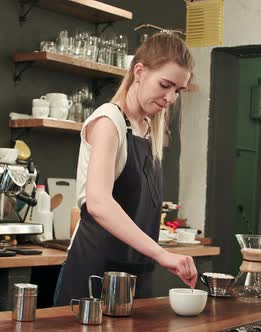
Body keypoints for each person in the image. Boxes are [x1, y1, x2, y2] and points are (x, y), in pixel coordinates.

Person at [54, 32, 197, 305]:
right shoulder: (109, 121)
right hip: (95, 275)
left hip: (136, 273)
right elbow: (98, 203)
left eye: (177, 90)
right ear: (140, 72)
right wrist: (161, 254)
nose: (170, 98)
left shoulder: (146, 129)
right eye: (165, 85)